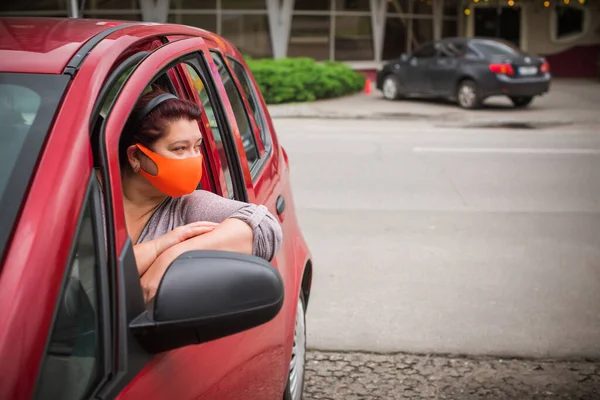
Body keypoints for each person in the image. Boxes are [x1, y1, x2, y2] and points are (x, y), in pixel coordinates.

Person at [118, 88, 282, 302]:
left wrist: (174, 254)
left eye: (197, 147)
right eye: (179, 149)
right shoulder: (87, 200)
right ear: (135, 155)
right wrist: (159, 245)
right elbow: (81, 278)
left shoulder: (187, 205)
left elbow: (266, 229)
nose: (194, 158)